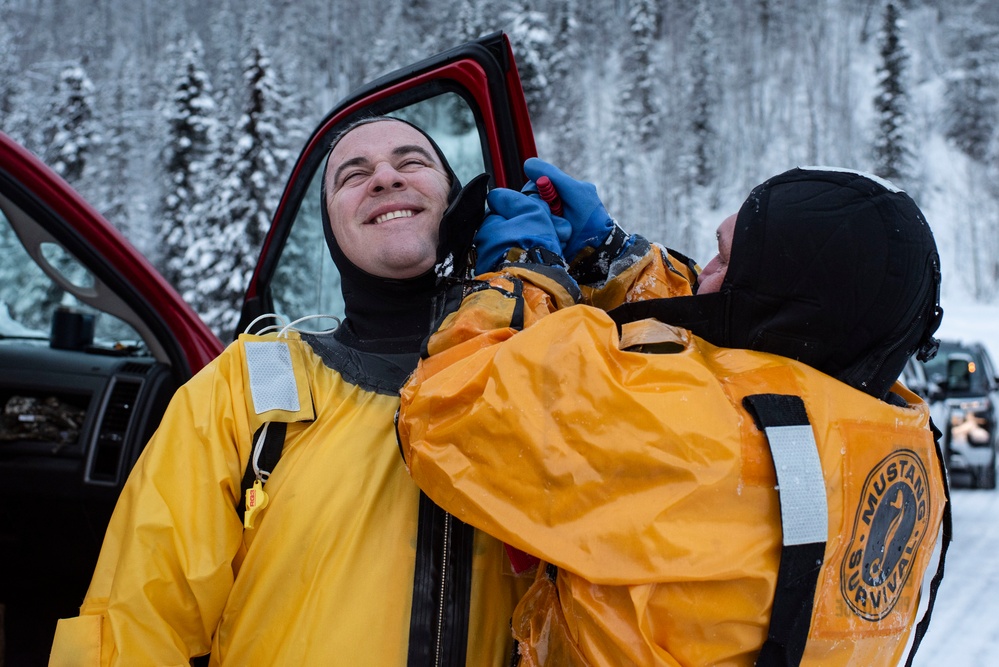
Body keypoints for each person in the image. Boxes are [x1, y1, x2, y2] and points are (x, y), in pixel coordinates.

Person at [397, 164, 948, 665]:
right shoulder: (885, 430)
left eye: (727, 258)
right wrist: (616, 260)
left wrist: (519, 278)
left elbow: (451, 406)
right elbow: (744, 361)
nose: (705, 270)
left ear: (784, 299)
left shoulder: (690, 438)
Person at [48, 117, 530, 666]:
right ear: (331, 227)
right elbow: (141, 616)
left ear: (458, 199)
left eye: (411, 162)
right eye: (354, 174)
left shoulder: (535, 371)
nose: (385, 179)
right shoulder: (249, 383)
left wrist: (611, 277)